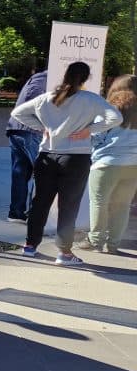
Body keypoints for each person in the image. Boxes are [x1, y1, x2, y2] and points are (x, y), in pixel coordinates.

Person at [10, 61, 122, 265]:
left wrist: (42, 127)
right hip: (76, 158)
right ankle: (64, 253)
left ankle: (30, 245)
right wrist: (90, 130)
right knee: (68, 206)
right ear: (86, 78)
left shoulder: (47, 98)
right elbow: (116, 117)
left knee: (39, 203)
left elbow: (17, 113)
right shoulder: (91, 99)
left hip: (47, 156)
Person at [79, 74, 137, 253]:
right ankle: (113, 244)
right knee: (122, 205)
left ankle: (95, 240)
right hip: (134, 165)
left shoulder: (109, 107)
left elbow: (96, 135)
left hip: (107, 163)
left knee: (99, 202)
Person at [5, 69, 47, 223]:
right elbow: (32, 100)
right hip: (30, 130)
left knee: (20, 173)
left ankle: (16, 212)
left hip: (17, 129)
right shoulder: (45, 79)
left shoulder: (38, 77)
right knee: (42, 172)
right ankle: (34, 214)